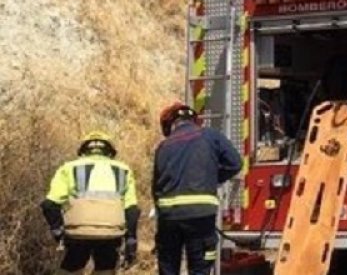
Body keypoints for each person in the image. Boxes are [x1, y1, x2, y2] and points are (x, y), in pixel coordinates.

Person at [154, 102, 243, 275]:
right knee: (200, 269)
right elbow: (235, 163)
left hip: (169, 218)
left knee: (168, 268)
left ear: (171, 124)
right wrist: (211, 178)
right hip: (200, 216)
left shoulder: (163, 147)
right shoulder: (210, 136)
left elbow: (156, 188)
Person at [41, 131, 140, 275]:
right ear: (110, 151)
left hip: (77, 233)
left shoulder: (68, 168)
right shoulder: (123, 170)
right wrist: (131, 238)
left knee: (72, 266)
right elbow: (131, 209)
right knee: (106, 267)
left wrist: (58, 231)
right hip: (111, 233)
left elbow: (49, 205)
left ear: (83, 151)